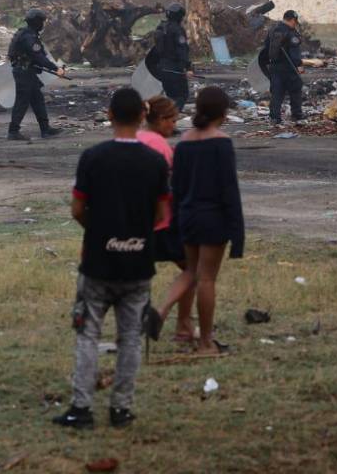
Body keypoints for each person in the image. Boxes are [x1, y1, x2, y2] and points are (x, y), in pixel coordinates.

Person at [52, 88, 168, 431]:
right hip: (138, 264)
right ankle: (121, 409)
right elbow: (162, 214)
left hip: (98, 263)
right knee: (131, 338)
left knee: (87, 335)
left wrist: (101, 230)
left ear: (109, 115)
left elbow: (77, 209)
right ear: (143, 116)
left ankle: (82, 408)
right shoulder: (155, 162)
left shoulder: (93, 157)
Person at [144, 87, 244, 357]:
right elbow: (229, 190)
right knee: (206, 279)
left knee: (192, 270)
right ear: (223, 114)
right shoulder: (221, 142)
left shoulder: (185, 142)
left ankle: (164, 313)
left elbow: (176, 185)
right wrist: (238, 234)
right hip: (213, 218)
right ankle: (205, 344)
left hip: (187, 217)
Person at [137, 96, 195, 344]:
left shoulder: (134, 139)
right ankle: (170, 318)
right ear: (160, 120)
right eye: (171, 121)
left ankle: (182, 326)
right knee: (196, 269)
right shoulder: (161, 147)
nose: (173, 126)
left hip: (136, 221)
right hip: (164, 222)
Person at [6, 8, 65, 141]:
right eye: (42, 22)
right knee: (22, 102)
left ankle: (45, 129)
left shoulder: (26, 34)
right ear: (37, 22)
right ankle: (13, 132)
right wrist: (55, 69)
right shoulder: (29, 37)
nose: (43, 24)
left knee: (38, 100)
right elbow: (38, 57)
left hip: (27, 72)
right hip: (24, 73)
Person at [266, 10, 304, 125]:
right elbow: (294, 54)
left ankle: (274, 117)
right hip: (289, 67)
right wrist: (299, 65)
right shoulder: (291, 34)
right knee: (296, 90)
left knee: (277, 93)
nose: (295, 24)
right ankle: (297, 115)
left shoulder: (273, 30)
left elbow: (266, 47)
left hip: (274, 67)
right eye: (295, 22)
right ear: (292, 20)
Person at [155, 3, 194, 111]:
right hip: (175, 69)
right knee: (182, 95)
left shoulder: (161, 27)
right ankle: (172, 118)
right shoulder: (177, 30)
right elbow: (182, 50)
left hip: (162, 68)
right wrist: (188, 67)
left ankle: (168, 118)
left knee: (171, 96)